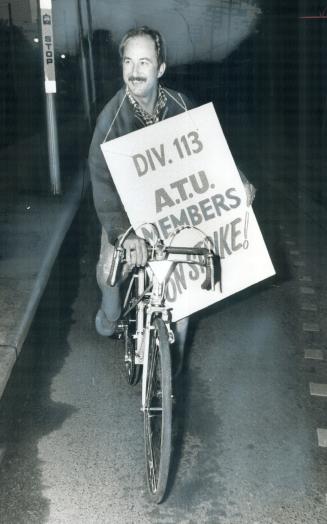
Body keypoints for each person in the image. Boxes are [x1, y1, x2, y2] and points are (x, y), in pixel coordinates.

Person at [88, 25, 255, 344]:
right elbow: (101, 179)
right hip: (124, 209)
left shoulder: (181, 104)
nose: (134, 72)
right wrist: (124, 233)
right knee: (110, 270)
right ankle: (110, 314)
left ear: (161, 68)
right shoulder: (111, 118)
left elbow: (209, 147)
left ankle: (168, 373)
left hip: (168, 206)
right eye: (128, 62)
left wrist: (238, 179)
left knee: (185, 292)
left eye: (144, 63)